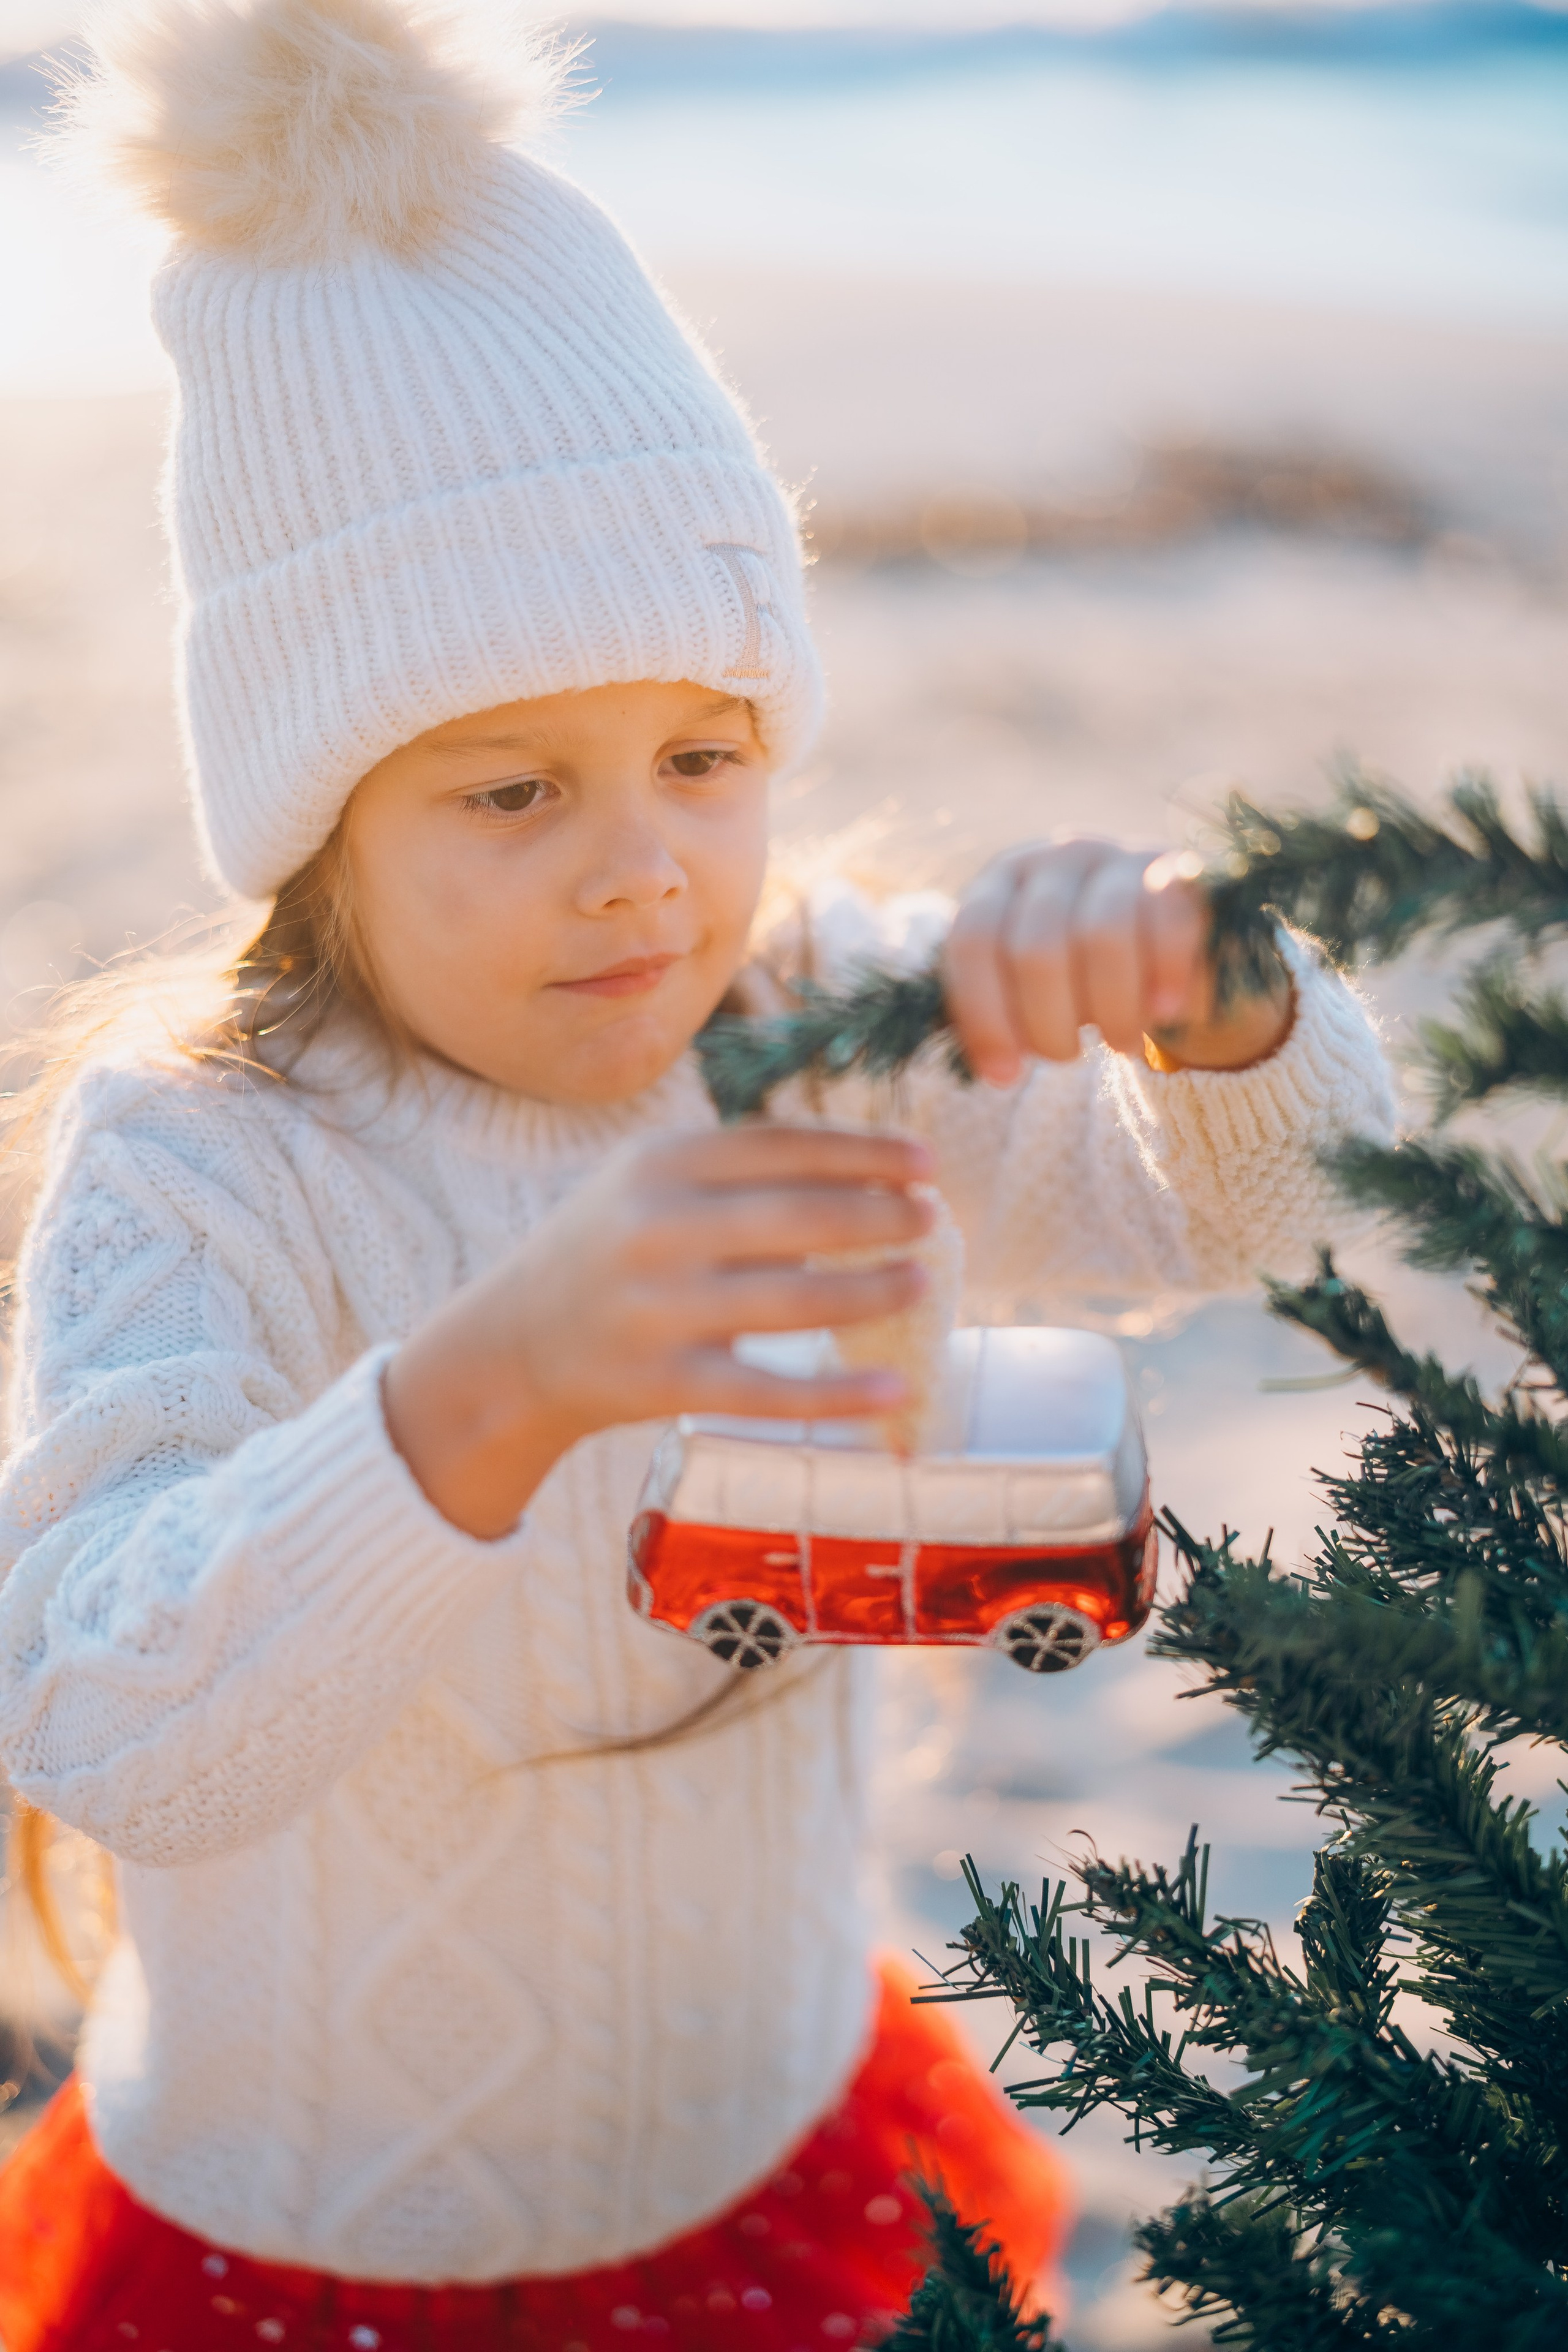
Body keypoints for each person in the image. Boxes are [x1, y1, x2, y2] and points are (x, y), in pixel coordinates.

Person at [0, 1, 1393, 2345]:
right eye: (509, 792)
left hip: (776, 2146)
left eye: (701, 753)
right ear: (315, 819)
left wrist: (1216, 992)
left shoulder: (825, 1038)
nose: (643, 877)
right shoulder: (206, 1157)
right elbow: (114, 1716)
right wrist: (495, 1385)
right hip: (313, 2243)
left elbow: (1267, 1217)